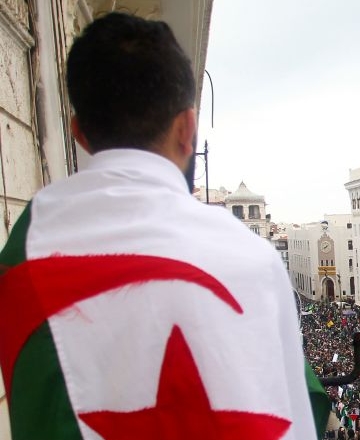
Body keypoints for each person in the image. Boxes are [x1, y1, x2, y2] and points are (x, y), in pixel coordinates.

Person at [0, 12, 327, 439]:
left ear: (78, 132)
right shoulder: (254, 262)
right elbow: (295, 413)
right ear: (188, 128)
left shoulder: (27, 250)